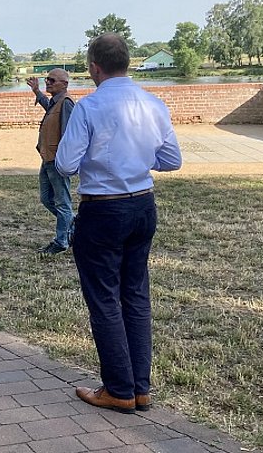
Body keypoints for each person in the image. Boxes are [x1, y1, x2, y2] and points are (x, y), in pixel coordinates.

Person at [56, 33, 182, 413]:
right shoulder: (154, 104)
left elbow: (65, 164)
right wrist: (137, 159)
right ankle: (139, 387)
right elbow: (172, 159)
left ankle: (118, 388)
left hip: (103, 207)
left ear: (94, 67)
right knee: (136, 294)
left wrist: (108, 161)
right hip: (143, 204)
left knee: (105, 298)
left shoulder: (90, 108)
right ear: (127, 61)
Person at [25, 68, 74, 254]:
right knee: (46, 199)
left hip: (56, 161)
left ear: (64, 84)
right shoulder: (56, 102)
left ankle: (61, 242)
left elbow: (69, 134)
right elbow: (49, 107)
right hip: (47, 159)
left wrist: (64, 160)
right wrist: (37, 91)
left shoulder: (67, 103)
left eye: (52, 80)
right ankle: (72, 221)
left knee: (62, 203)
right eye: (47, 80)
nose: (48, 83)